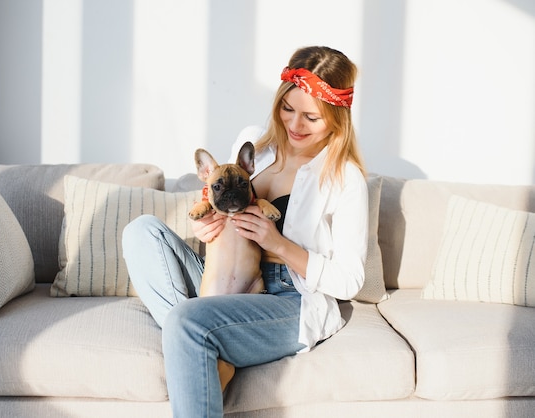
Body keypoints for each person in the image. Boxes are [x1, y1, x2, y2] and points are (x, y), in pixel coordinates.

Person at [122, 45, 368, 418]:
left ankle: (194, 337)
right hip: (221, 276)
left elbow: (350, 281)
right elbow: (220, 195)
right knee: (141, 232)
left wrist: (279, 245)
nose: (295, 125)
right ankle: (201, 341)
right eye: (287, 109)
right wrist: (208, 229)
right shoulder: (255, 144)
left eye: (311, 118)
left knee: (186, 321)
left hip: (286, 299)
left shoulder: (344, 177)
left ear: (337, 117)